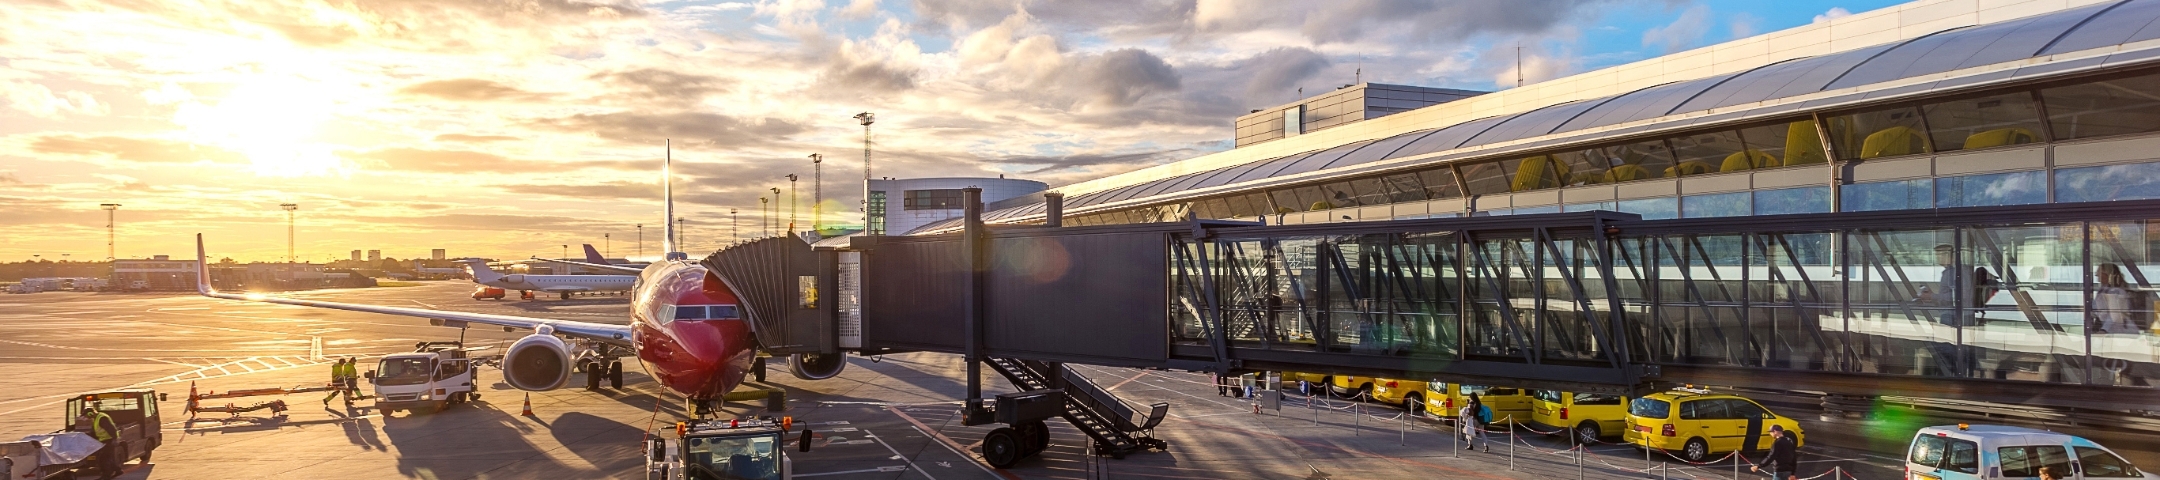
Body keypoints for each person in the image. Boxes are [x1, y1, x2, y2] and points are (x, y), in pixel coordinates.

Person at [80, 406, 120, 479]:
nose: (86, 418)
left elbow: (111, 429)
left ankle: (106, 476)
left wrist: (114, 439)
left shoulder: (102, 418)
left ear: (90, 413)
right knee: (108, 458)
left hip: (109, 440)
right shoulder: (96, 419)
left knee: (103, 459)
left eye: (86, 416)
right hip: (104, 440)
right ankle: (118, 470)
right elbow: (94, 432)